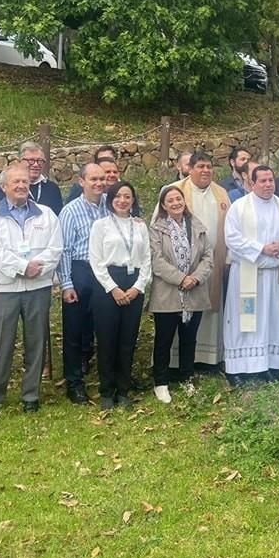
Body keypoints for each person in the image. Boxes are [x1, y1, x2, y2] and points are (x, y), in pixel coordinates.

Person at [0, 162, 63, 418]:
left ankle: (31, 395)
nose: (22, 186)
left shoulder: (46, 214)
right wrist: (24, 266)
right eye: (16, 182)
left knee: (36, 342)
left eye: (25, 182)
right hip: (3, 288)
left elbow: (55, 248)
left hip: (38, 287)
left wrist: (39, 267)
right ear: (4, 187)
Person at [223, 166, 279, 383]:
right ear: (252, 183)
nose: (268, 185)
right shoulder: (239, 207)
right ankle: (237, 368)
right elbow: (232, 238)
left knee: (272, 318)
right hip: (248, 273)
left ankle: (267, 364)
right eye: (262, 181)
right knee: (244, 319)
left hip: (275, 274)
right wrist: (261, 248)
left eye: (270, 180)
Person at [162, 152, 231, 370]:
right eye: (200, 166)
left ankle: (208, 358)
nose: (205, 170)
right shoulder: (174, 191)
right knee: (179, 310)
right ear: (189, 169)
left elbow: (230, 228)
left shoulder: (221, 194)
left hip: (211, 263)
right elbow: (160, 224)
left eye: (209, 166)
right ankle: (176, 362)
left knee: (209, 309)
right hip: (180, 267)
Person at [89, 181, 151, 409]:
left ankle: (124, 389)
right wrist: (113, 288)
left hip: (133, 282)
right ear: (110, 199)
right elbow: (95, 261)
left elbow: (147, 260)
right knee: (107, 339)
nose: (123, 200)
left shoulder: (140, 226)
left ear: (133, 200)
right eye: (118, 196)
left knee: (128, 340)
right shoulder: (101, 225)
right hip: (108, 285)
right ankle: (106, 390)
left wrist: (138, 287)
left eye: (127, 196)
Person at [149, 185, 214, 403]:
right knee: (164, 340)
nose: (176, 203)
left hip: (194, 291)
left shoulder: (196, 225)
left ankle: (187, 376)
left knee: (189, 339)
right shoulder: (157, 229)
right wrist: (180, 278)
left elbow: (207, 256)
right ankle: (161, 382)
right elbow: (156, 260)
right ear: (164, 206)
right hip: (168, 293)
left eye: (179, 199)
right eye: (170, 201)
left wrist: (194, 278)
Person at [56, 162, 108, 404]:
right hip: (80, 270)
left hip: (106, 272)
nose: (98, 183)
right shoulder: (70, 211)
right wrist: (66, 283)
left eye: (102, 179)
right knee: (75, 330)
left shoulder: (110, 205)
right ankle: (74, 383)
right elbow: (64, 250)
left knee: (103, 326)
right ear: (81, 182)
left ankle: (107, 377)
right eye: (93, 179)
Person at [0, 142, 63, 214]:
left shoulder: (52, 188)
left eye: (40, 161)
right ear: (19, 161)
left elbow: (57, 217)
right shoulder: (7, 185)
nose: (36, 165)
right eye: (31, 160)